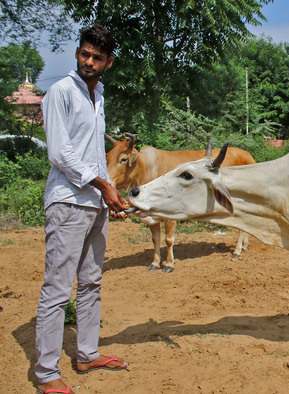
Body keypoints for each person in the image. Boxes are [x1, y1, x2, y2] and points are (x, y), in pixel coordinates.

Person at [35, 24, 130, 394]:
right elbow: (59, 152)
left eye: (97, 57)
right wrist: (104, 185)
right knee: (58, 289)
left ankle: (87, 353)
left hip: (95, 203)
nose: (88, 62)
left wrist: (112, 195)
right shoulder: (60, 92)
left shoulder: (98, 94)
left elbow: (93, 154)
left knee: (91, 282)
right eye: (84, 54)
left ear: (108, 62)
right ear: (79, 52)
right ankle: (45, 373)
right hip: (68, 202)